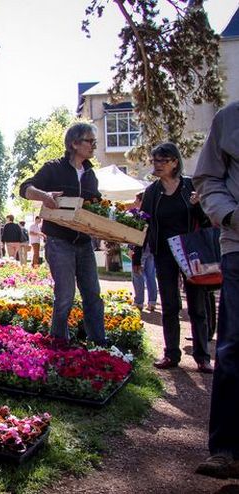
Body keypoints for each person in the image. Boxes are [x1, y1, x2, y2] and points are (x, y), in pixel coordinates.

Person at [20, 122, 106, 346]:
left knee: (93, 295)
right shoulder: (53, 168)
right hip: (60, 242)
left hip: (84, 242)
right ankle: (59, 342)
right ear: (74, 144)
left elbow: (95, 204)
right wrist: (43, 194)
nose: (93, 146)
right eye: (90, 141)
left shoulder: (90, 174)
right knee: (65, 296)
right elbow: (25, 188)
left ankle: (98, 343)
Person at [133, 143, 212, 373]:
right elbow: (143, 225)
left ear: (175, 162)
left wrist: (198, 207)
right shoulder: (152, 192)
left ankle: (202, 356)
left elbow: (206, 222)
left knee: (197, 306)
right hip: (164, 253)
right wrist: (138, 256)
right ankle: (171, 354)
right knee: (169, 305)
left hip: (191, 252)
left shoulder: (190, 186)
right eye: (155, 161)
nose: (157, 165)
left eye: (162, 161)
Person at [193, 101, 239, 478]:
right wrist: (230, 215)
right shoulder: (230, 118)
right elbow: (207, 179)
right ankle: (226, 448)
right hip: (238, 245)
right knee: (234, 345)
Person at [129, 192, 158, 311]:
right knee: (150, 275)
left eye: (137, 201)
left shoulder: (141, 216)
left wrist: (133, 249)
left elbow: (138, 234)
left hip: (141, 247)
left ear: (142, 201)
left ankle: (139, 302)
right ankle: (152, 301)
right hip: (151, 247)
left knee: (137, 274)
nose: (135, 203)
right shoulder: (153, 213)